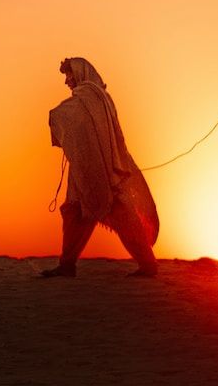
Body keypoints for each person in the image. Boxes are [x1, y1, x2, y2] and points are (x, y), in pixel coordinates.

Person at [43, 57, 160, 277]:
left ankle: (148, 265)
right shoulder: (98, 96)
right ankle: (67, 265)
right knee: (76, 213)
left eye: (69, 75)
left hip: (103, 169)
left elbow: (68, 115)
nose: (67, 81)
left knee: (120, 214)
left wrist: (54, 116)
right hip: (86, 165)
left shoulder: (90, 94)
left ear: (80, 72)